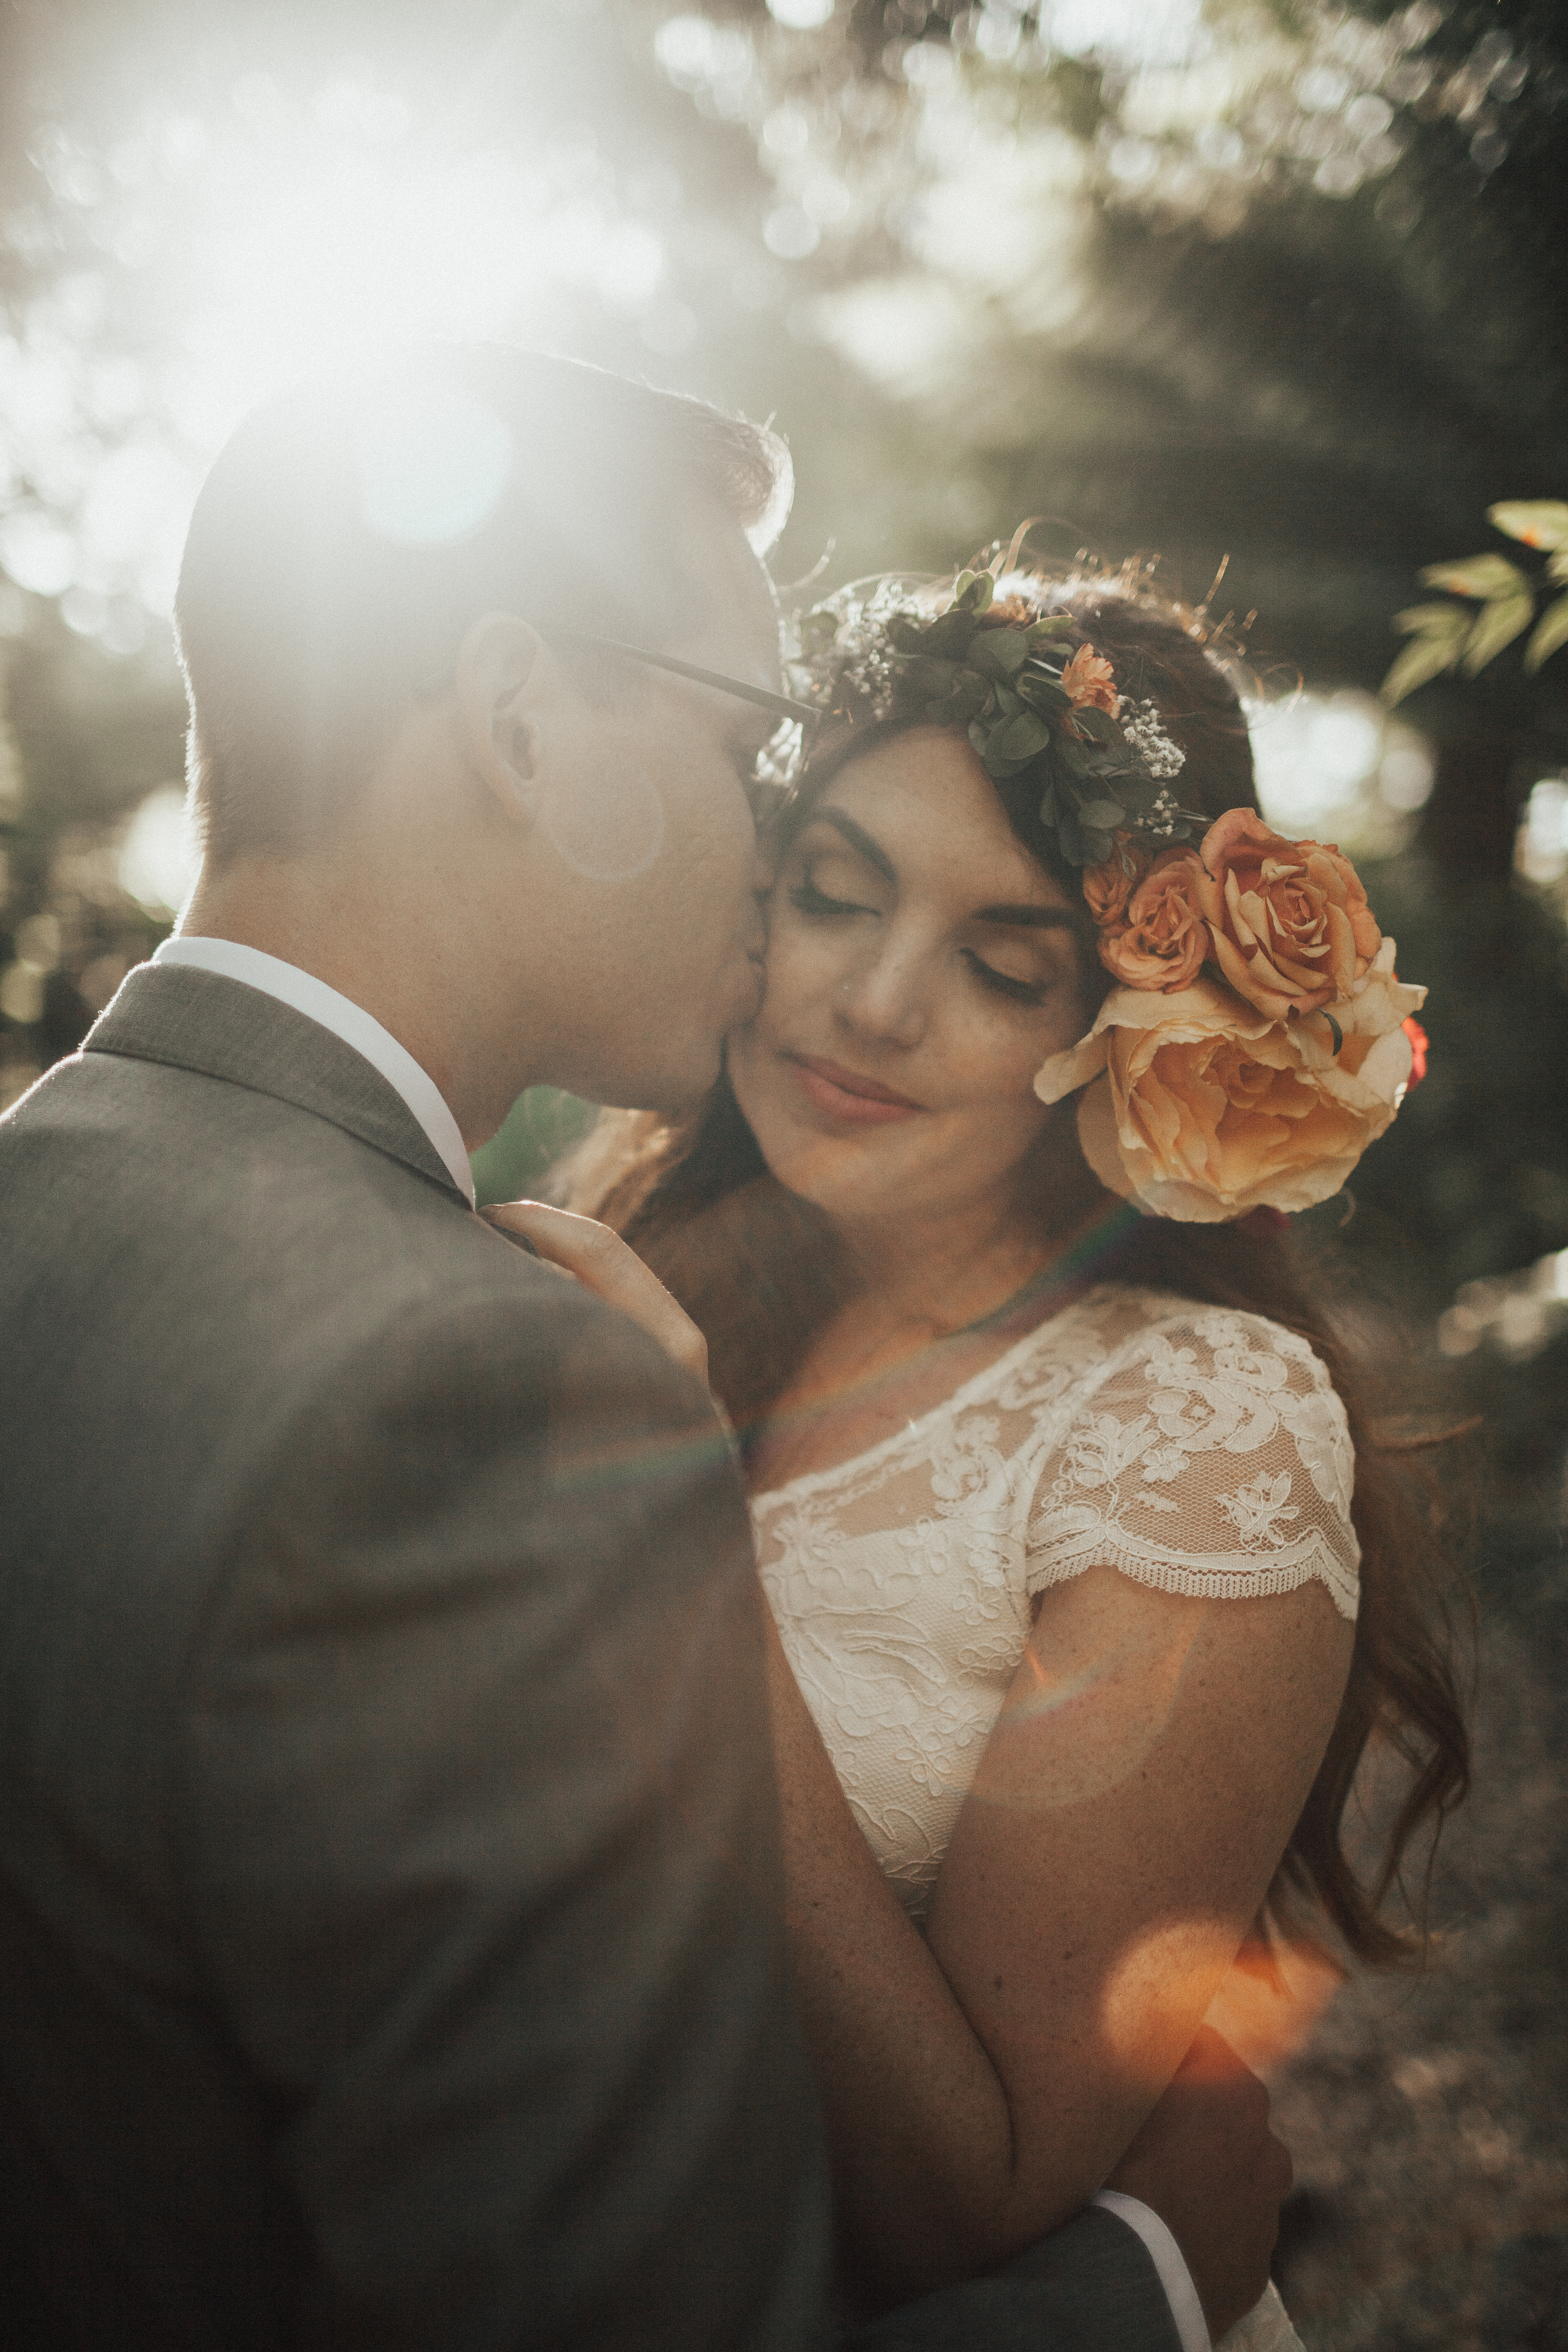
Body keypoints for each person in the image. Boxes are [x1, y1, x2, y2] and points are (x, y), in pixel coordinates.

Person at [0, 353, 1286, 2352]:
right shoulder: (489, 1389)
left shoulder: (48, 1195)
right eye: (747, 751)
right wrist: (1136, 2287)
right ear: (520, 717)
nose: (771, 879)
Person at [551, 560, 1472, 2347]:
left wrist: (673, 1550)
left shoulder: (1193, 1426)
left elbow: (977, 2197)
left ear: (1128, 1034)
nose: (876, 1001)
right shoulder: (637, 1283)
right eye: (833, 892)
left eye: (1002, 961)